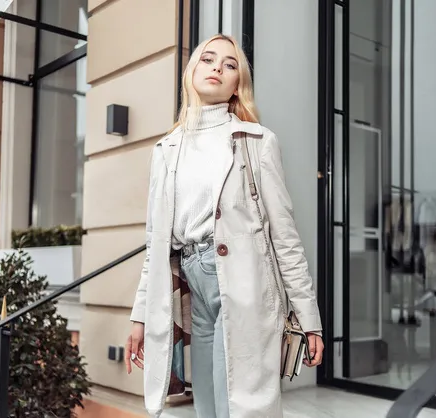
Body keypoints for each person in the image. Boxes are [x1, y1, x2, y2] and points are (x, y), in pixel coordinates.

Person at [125, 33, 324, 418]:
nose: (217, 67)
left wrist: (308, 317)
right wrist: (140, 316)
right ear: (191, 72)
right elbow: (156, 245)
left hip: (243, 282)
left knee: (234, 401)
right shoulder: (166, 150)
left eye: (230, 65)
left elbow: (284, 236)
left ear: (237, 86)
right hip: (191, 285)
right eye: (208, 59)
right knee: (208, 407)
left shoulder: (256, 142)